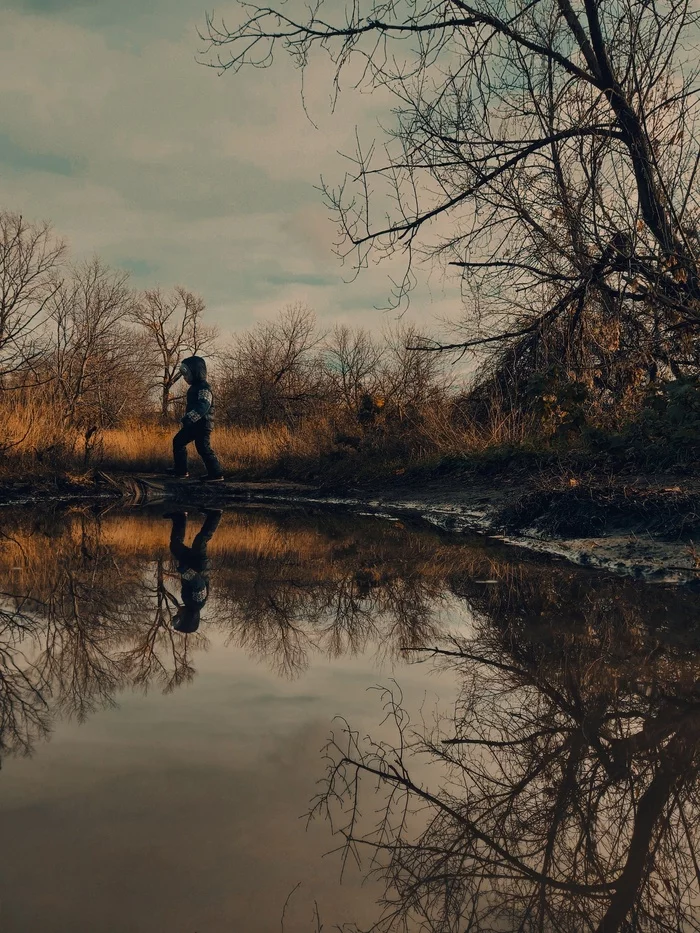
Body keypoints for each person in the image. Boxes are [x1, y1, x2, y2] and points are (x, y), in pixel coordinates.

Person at [167, 509, 222, 633]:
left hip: (190, 564)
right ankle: (215, 515)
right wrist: (185, 571)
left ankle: (180, 517)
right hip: (199, 565)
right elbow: (199, 584)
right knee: (201, 539)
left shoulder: (188, 603)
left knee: (175, 546)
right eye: (178, 615)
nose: (177, 612)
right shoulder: (197, 603)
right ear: (186, 618)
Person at [170, 355, 224, 481]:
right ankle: (181, 471)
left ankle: (216, 473)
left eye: (186, 375)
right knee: (178, 441)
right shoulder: (194, 388)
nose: (184, 378)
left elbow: (204, 405)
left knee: (203, 447)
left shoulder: (204, 388)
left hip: (203, 425)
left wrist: (190, 417)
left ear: (196, 372)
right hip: (194, 425)